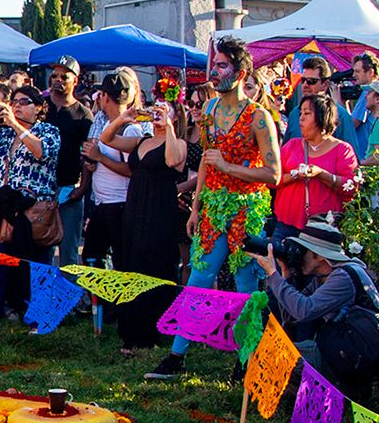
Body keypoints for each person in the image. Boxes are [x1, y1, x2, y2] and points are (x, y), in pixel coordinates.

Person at [148, 36, 277, 380]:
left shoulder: (259, 117)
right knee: (199, 279)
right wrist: (195, 207)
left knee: (246, 285)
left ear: (241, 71)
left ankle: (246, 360)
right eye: (214, 65)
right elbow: (206, 160)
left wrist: (231, 168)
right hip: (212, 210)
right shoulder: (209, 110)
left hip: (246, 213)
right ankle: (176, 357)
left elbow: (274, 173)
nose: (214, 73)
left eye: (222, 66)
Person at [247, 219, 379, 397]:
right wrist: (285, 274)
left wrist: (273, 275)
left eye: (303, 251)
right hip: (340, 350)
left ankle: (331, 394)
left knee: (278, 354)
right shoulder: (324, 275)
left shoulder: (343, 277)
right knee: (270, 350)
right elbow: (292, 316)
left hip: (352, 357)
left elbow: (303, 310)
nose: (299, 256)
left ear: (319, 256)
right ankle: (300, 395)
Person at [0, 84, 61, 326]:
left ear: (39, 108)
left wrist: (15, 124)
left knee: (38, 268)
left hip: (35, 212)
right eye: (15, 102)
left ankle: (39, 319)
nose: (18, 107)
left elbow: (42, 152)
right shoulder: (3, 134)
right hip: (6, 210)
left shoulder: (49, 131)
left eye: (24, 103)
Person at [115, 84, 191, 356]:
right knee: (133, 261)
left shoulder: (178, 143)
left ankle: (154, 330)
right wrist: (124, 118)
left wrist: (169, 127)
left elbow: (172, 161)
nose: (158, 113)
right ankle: (131, 329)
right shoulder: (140, 141)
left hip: (160, 209)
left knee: (155, 263)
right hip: (136, 206)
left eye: (164, 108)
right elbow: (106, 139)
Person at [274, 87, 359, 230]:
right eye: (301, 113)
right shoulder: (292, 146)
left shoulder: (342, 150)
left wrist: (321, 174)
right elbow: (273, 179)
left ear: (322, 118)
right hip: (287, 224)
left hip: (324, 228)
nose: (301, 118)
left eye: (307, 113)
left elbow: (351, 187)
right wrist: (294, 175)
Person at [81, 70, 141, 268]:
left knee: (121, 261)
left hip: (120, 205)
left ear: (106, 97)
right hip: (102, 203)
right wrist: (94, 162)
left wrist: (100, 157)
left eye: (100, 95)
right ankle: (99, 299)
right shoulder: (108, 124)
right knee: (91, 256)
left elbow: (132, 171)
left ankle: (120, 300)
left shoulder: (129, 129)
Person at [41, 59, 93, 268]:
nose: (58, 80)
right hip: (41, 189)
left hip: (69, 189)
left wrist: (82, 187)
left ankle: (69, 299)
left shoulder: (83, 114)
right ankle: (42, 298)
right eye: (54, 76)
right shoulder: (41, 108)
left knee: (68, 255)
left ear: (75, 80)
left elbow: (87, 155)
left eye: (64, 77)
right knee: (42, 252)